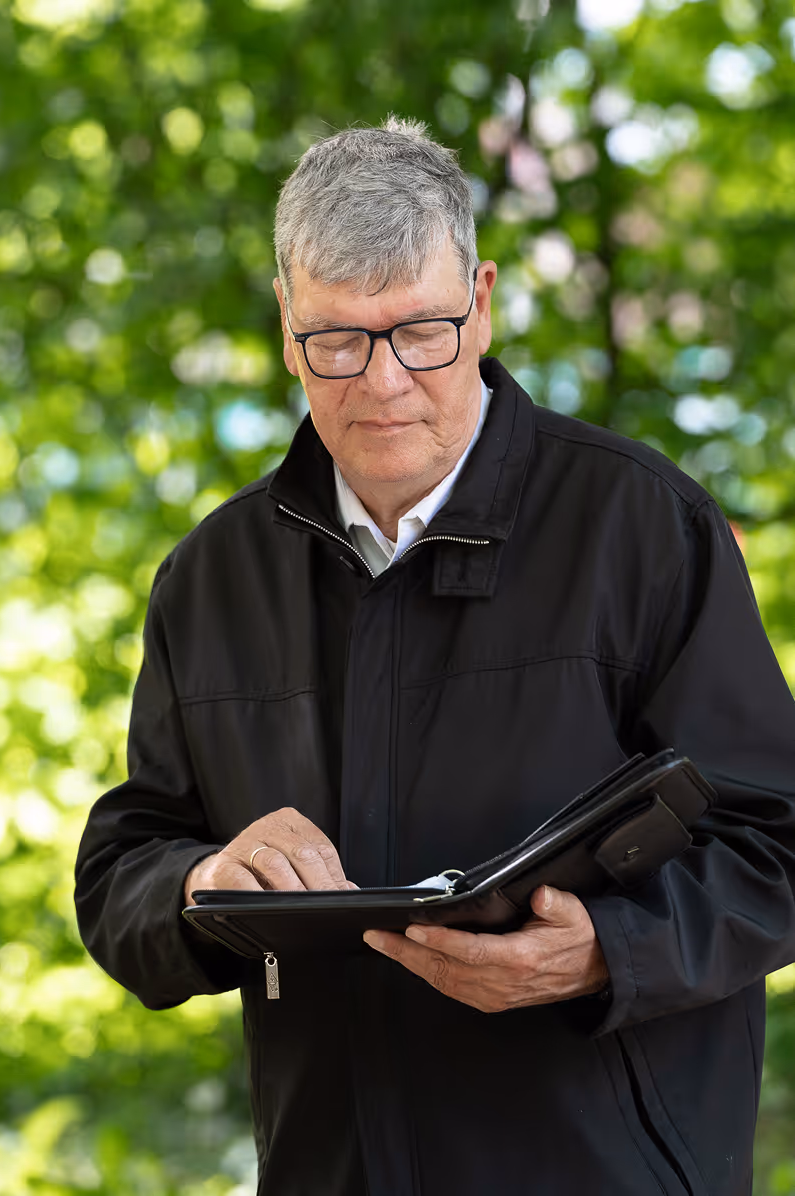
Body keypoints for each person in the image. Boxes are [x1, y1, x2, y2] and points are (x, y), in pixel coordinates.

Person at [75, 117, 795, 1196]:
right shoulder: (211, 578)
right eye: (337, 339)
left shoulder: (642, 527)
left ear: (484, 298)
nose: (381, 384)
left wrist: (609, 950)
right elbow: (120, 871)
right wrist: (203, 882)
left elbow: (776, 842)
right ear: (285, 322)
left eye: (421, 331)